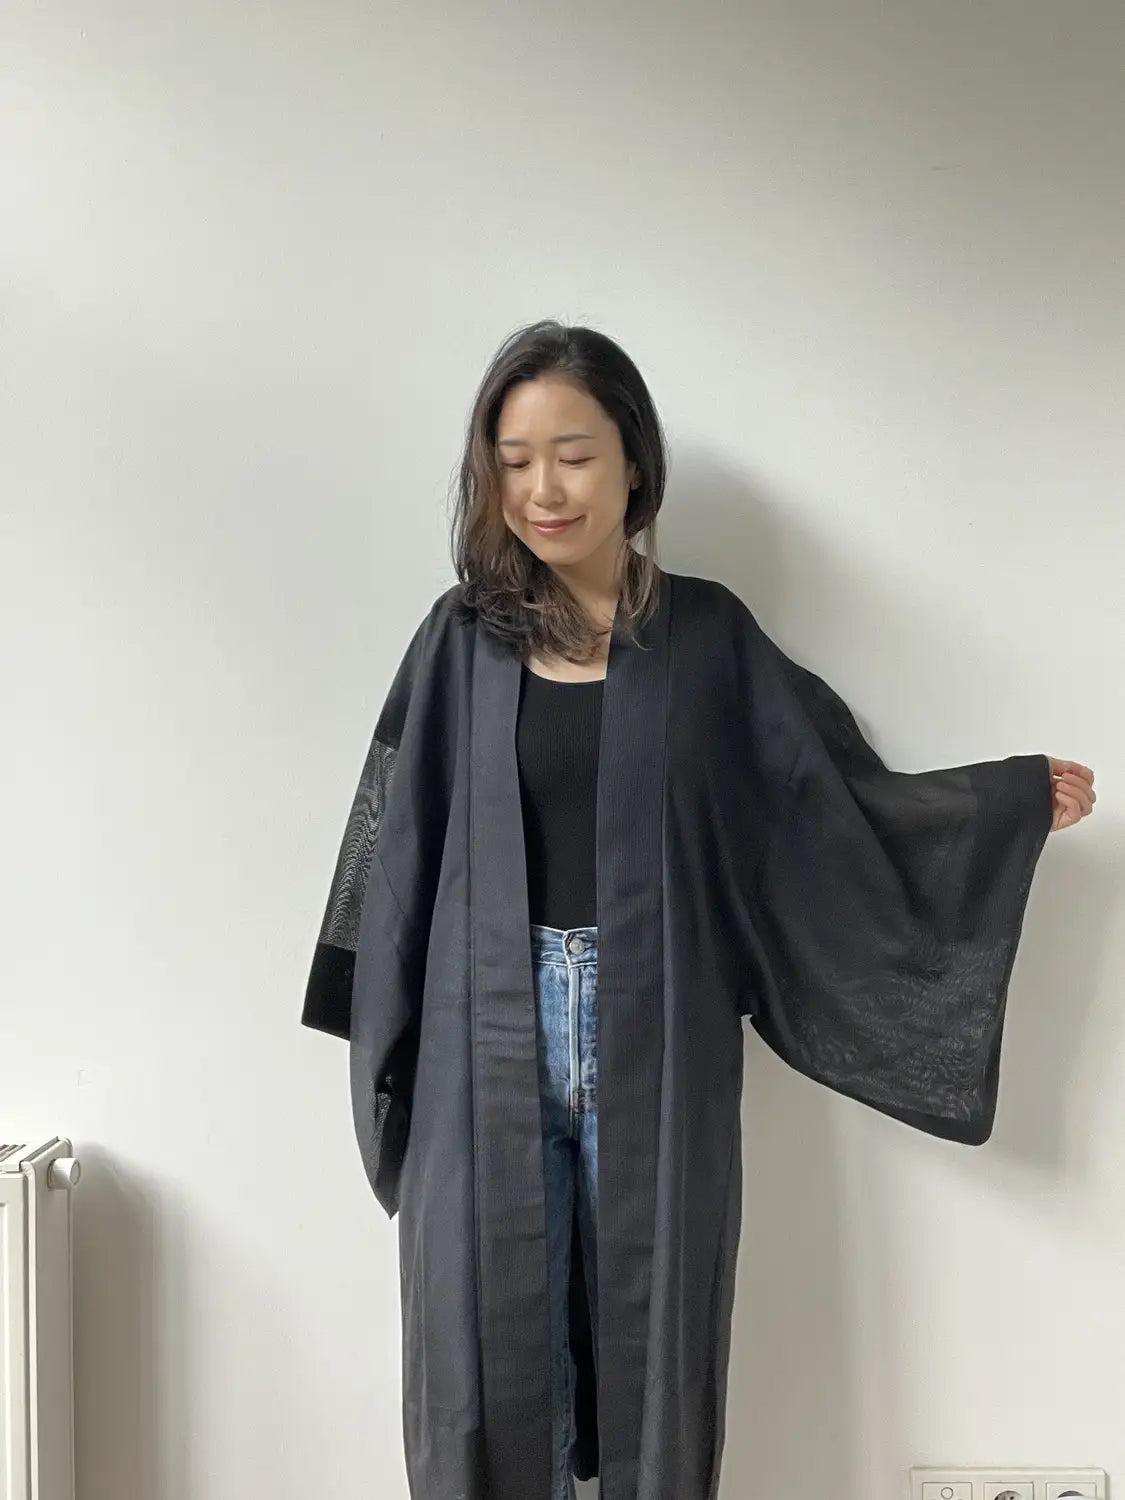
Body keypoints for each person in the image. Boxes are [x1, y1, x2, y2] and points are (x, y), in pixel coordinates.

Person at [302, 320, 1096, 1500]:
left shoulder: (709, 637)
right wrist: (385, 1044)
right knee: (483, 1345)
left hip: (656, 1031)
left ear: (634, 460)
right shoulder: (459, 641)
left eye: (572, 453)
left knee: (655, 1339)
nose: (542, 489)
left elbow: (825, 801)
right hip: (483, 1039)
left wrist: (1001, 804)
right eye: (513, 461)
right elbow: (392, 839)